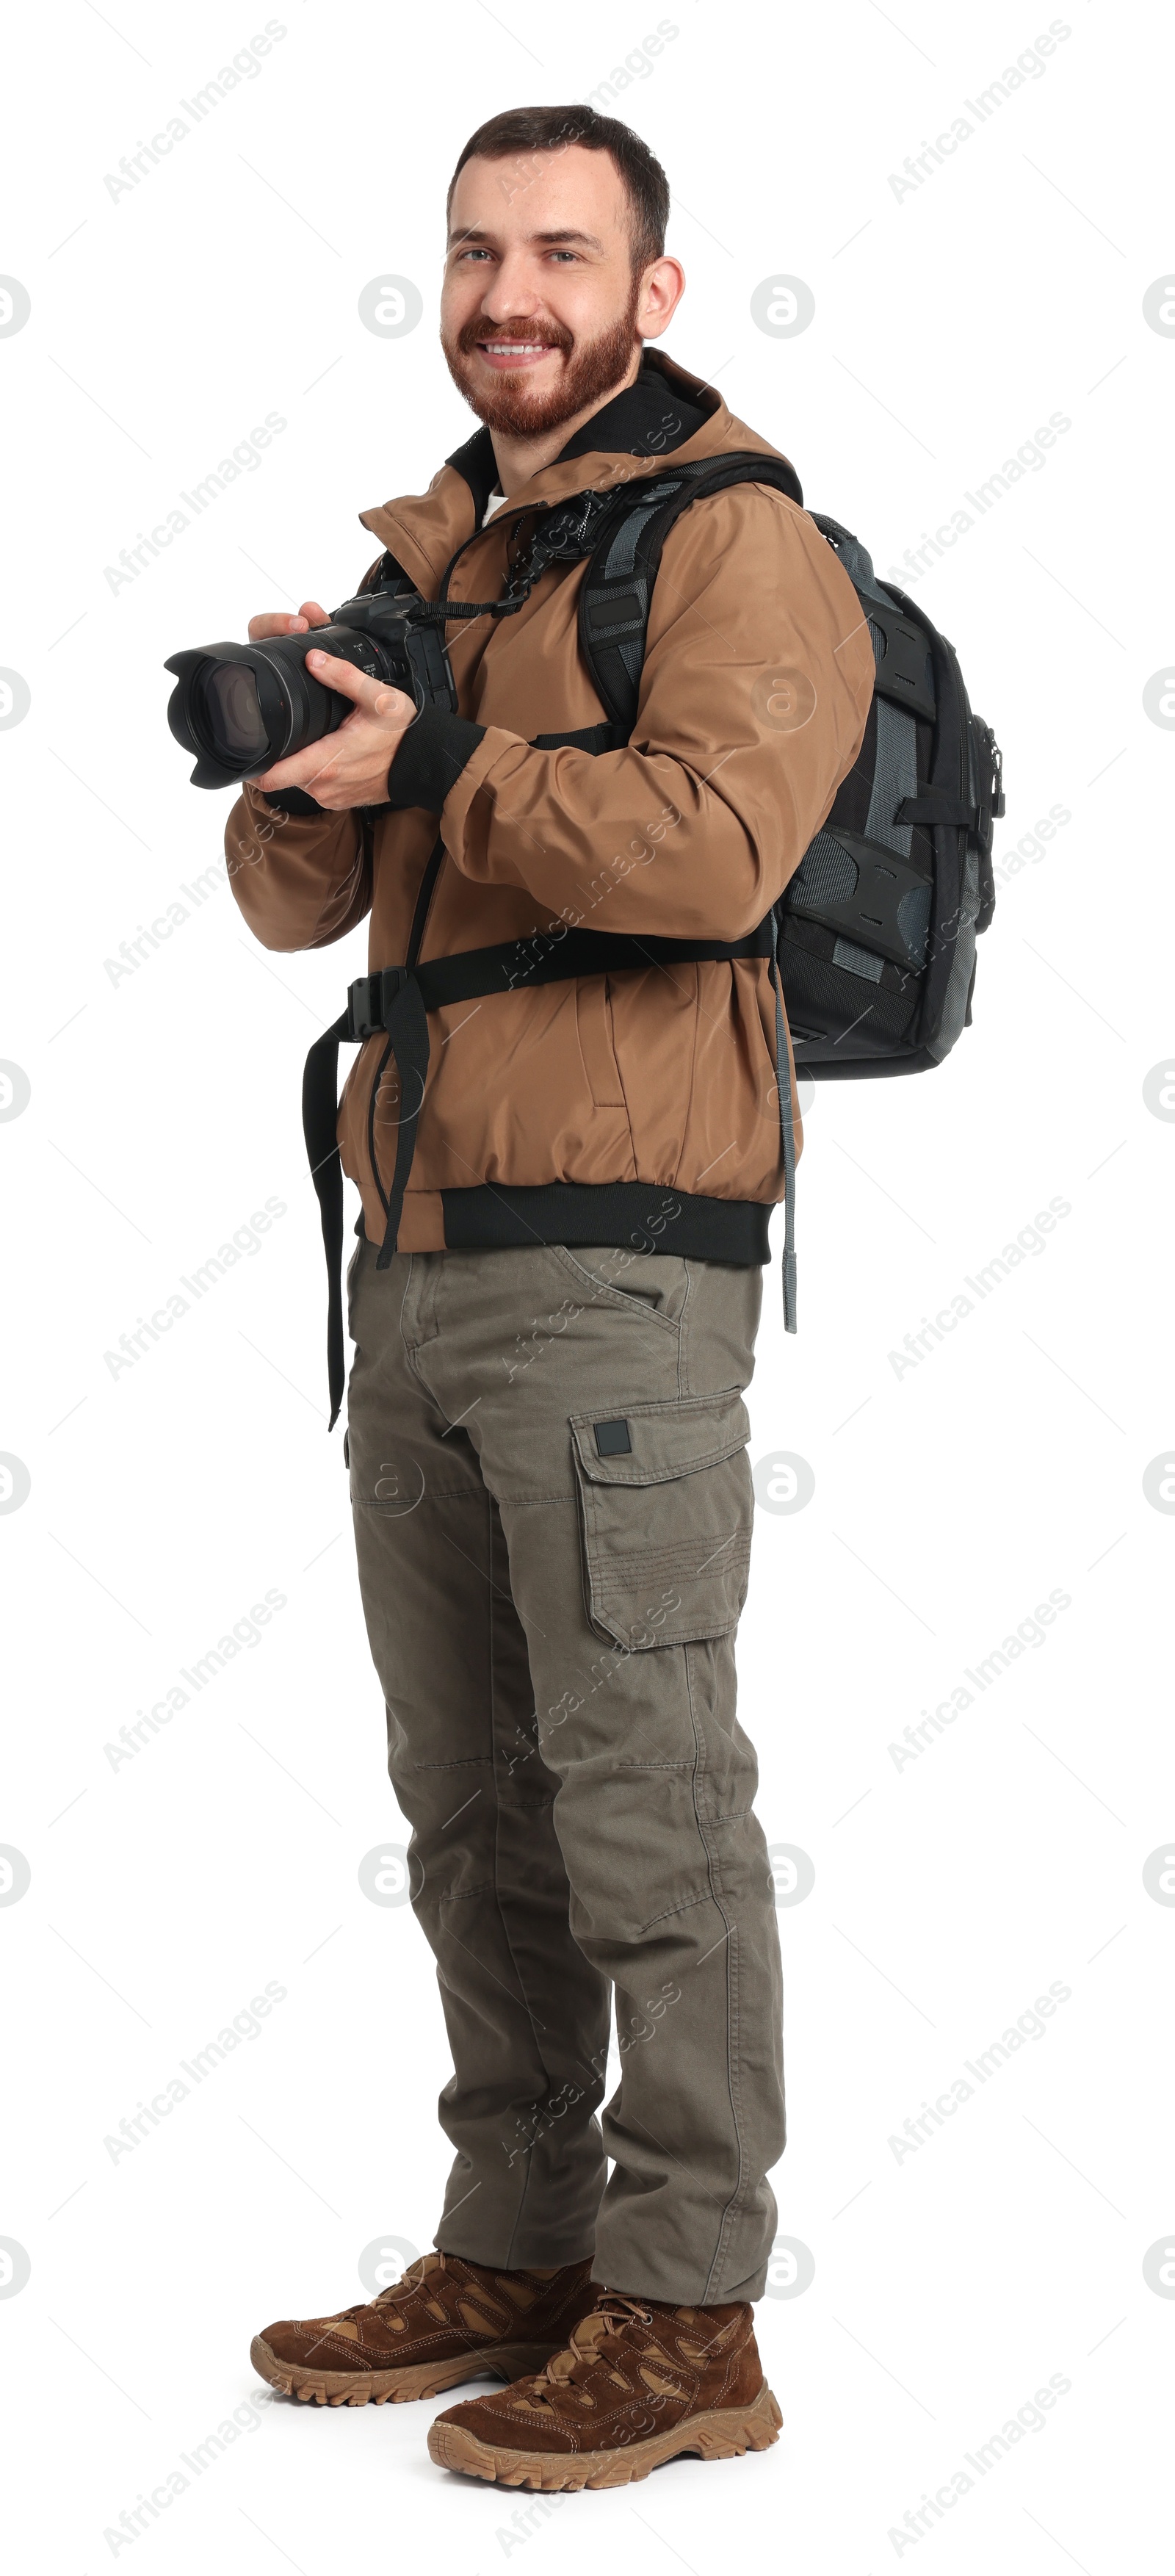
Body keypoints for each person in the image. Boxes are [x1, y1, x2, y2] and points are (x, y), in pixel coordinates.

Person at [231, 102, 873, 2490]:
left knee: (644, 1791)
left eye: (564, 255)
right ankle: (516, 2234)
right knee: (469, 1799)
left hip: (616, 1256)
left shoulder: (735, 544)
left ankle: (689, 2300)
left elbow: (712, 854)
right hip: (410, 1253)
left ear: (652, 295)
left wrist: (459, 753)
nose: (513, 292)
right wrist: (314, 763)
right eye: (480, 251)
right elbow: (292, 914)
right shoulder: (447, 560)